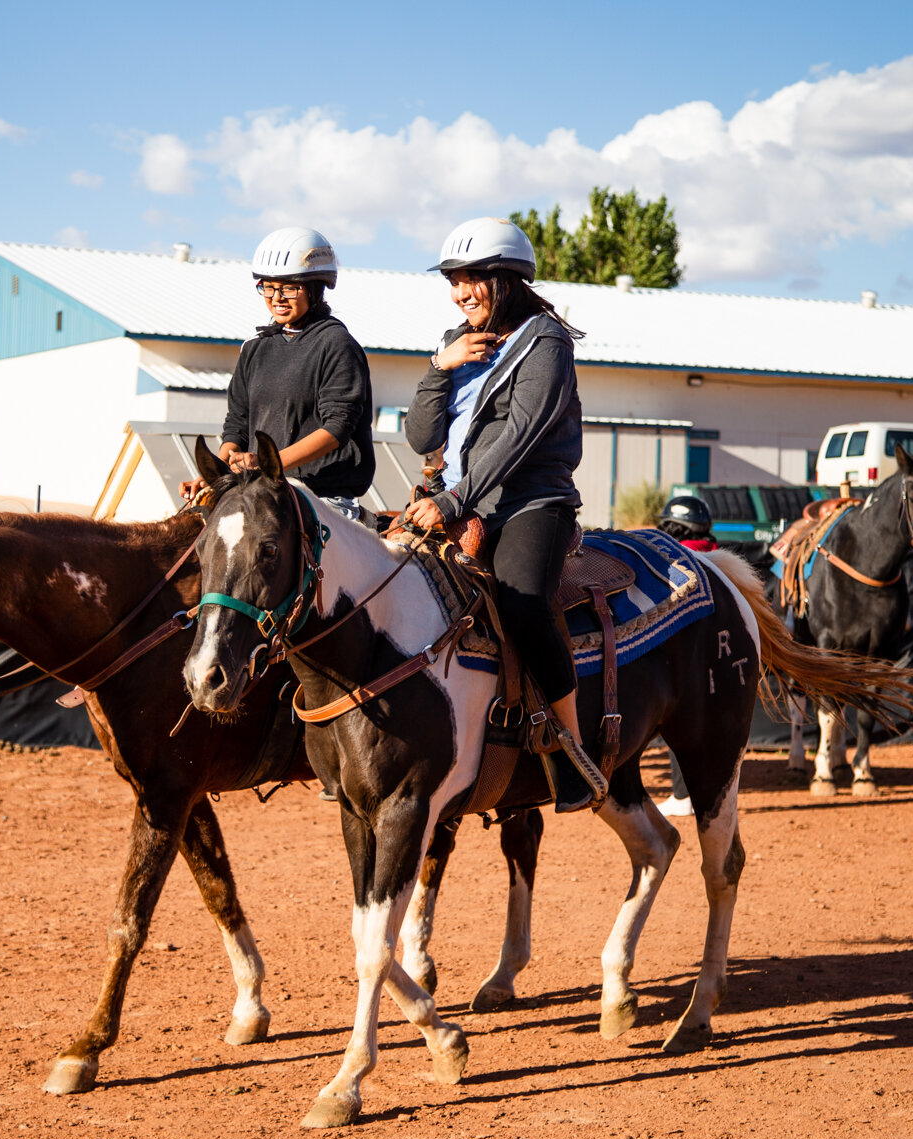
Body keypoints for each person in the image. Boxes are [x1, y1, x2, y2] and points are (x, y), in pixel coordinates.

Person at [401, 216, 603, 813]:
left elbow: (518, 438)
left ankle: (572, 749)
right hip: (453, 499)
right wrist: (440, 367)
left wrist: (452, 502)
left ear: (508, 279)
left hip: (530, 502)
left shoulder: (546, 343)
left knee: (521, 604)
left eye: (474, 279)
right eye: (455, 281)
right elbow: (420, 436)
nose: (463, 292)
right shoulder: (455, 338)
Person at [180, 227, 375, 521]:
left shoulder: (336, 344)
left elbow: (338, 428)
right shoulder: (254, 348)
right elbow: (237, 423)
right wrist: (214, 476)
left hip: (320, 498)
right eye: (268, 287)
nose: (277, 297)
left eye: (288, 288)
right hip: (261, 489)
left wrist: (268, 464)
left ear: (315, 287)